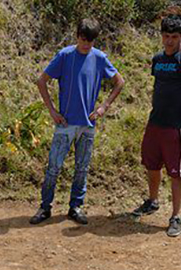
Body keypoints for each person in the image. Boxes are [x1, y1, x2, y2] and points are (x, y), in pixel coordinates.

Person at [29, 18, 124, 225]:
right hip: (65, 123)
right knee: (54, 167)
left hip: (88, 124)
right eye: (83, 39)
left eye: (90, 41)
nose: (86, 44)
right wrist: (52, 110)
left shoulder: (99, 58)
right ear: (77, 36)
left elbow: (119, 81)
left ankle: (76, 207)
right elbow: (42, 81)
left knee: (82, 168)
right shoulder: (65, 55)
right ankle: (45, 207)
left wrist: (104, 106)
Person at [130, 14, 181, 237]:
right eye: (166, 36)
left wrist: (178, 107)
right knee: (151, 164)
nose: (169, 41)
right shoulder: (158, 59)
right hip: (155, 121)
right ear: (161, 36)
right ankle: (152, 202)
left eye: (174, 36)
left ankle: (175, 216)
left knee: (176, 171)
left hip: (176, 125)